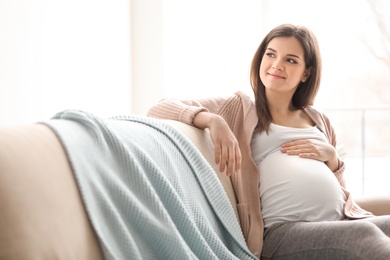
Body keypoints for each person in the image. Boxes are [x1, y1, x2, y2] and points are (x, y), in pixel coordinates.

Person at [147, 24, 390, 259]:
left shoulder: (319, 119)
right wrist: (213, 121)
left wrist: (333, 159)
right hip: (284, 233)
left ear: (307, 73)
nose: (276, 65)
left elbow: (341, 190)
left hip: (341, 222)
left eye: (290, 60)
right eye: (271, 54)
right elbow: (159, 108)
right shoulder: (240, 108)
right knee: (363, 235)